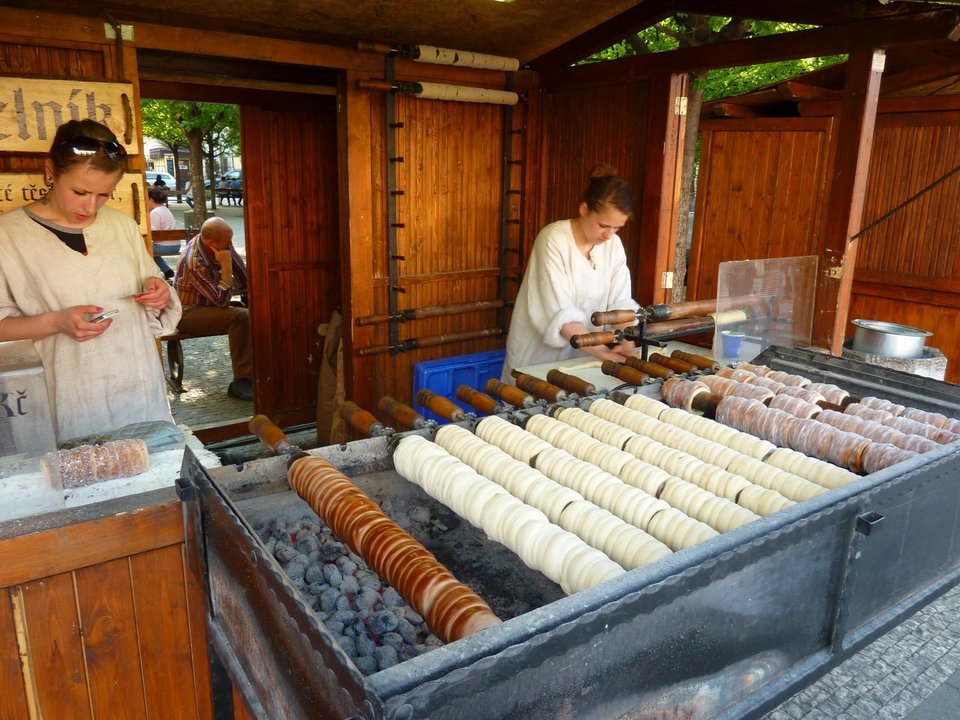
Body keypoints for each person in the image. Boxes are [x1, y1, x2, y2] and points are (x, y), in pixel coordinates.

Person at [0, 119, 182, 442]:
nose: (90, 206)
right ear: (50, 171)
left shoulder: (122, 226)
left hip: (140, 396)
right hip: (68, 403)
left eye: (104, 195)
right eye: (79, 192)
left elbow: (154, 283)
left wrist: (161, 293)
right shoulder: (9, 235)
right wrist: (56, 322)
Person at [501, 163, 639, 382]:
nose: (609, 235)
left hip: (583, 360)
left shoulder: (613, 245)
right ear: (584, 209)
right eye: (604, 225)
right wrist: (604, 352)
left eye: (617, 228)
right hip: (538, 361)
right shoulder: (553, 239)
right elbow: (562, 317)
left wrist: (628, 342)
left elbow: (620, 304)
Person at [173, 217, 253, 401]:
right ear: (211, 243)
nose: (231, 245)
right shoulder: (193, 262)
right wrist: (226, 267)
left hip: (209, 304)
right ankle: (241, 381)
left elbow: (244, 275)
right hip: (189, 313)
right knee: (241, 317)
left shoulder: (221, 244)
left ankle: (258, 372)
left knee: (255, 313)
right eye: (228, 243)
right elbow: (221, 301)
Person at [147, 186, 177, 279]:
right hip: (176, 245)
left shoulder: (154, 213)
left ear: (151, 199)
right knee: (148, 248)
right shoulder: (165, 209)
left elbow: (154, 234)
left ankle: (158, 272)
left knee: (142, 248)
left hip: (165, 247)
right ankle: (166, 270)